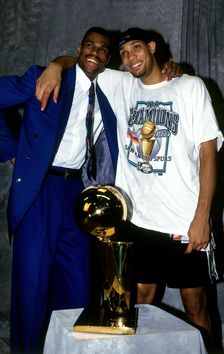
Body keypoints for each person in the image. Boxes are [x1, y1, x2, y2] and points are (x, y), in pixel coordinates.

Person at [36, 27, 223, 345]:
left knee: (197, 307)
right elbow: (86, 61)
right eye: (123, 54)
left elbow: (208, 156)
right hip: (137, 221)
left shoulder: (190, 87)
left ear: (152, 47)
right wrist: (55, 65)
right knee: (139, 308)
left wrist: (202, 217)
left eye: (136, 48)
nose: (130, 58)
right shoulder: (123, 84)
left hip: (183, 221)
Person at [0, 27, 180, 354]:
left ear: (109, 58)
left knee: (77, 286)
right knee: (32, 287)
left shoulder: (113, 88)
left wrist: (171, 69)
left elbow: (151, 82)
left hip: (78, 194)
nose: (94, 52)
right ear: (78, 48)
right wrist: (11, 149)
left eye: (102, 48)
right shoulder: (45, 77)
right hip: (40, 191)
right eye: (89, 45)